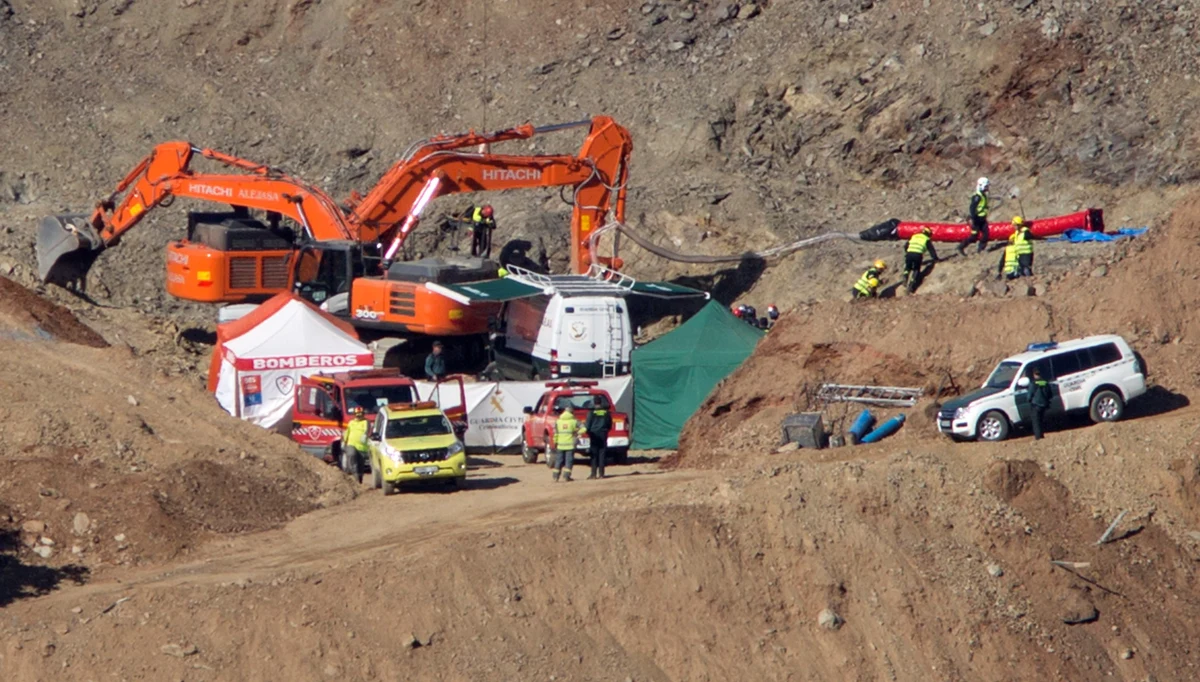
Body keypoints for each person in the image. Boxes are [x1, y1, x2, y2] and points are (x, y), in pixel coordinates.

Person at [958, 177, 991, 256]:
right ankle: (961, 247)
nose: (987, 188)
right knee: (974, 236)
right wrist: (974, 218)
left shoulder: (983, 195)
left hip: (982, 219)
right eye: (986, 186)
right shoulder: (977, 197)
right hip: (977, 220)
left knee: (986, 234)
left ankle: (981, 249)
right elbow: (972, 208)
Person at [552, 405, 584, 482]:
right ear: (572, 412)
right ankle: (566, 476)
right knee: (568, 461)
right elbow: (584, 428)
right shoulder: (575, 421)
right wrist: (577, 433)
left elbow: (555, 433)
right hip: (570, 445)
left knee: (558, 460)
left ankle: (555, 477)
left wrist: (555, 442)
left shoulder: (558, 421)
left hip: (560, 445)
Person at [584, 399, 612, 480]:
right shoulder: (606, 412)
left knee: (594, 454)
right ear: (601, 402)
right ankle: (601, 474)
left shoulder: (591, 412)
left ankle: (593, 474)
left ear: (594, 403)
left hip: (594, 434)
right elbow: (609, 423)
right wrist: (606, 430)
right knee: (602, 453)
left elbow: (588, 424)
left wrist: (588, 432)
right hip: (603, 433)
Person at [341, 406, 369, 483]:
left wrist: (365, 435)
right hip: (351, 444)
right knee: (352, 455)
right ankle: (355, 476)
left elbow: (367, 430)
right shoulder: (351, 423)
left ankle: (359, 480)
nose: (359, 416)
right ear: (354, 414)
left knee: (360, 465)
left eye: (360, 414)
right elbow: (347, 432)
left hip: (362, 447)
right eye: (357, 414)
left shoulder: (366, 422)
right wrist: (344, 441)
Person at [1029, 367, 1053, 440]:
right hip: (1044, 404)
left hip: (1036, 405)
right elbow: (1050, 394)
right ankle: (1042, 435)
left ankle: (1038, 437)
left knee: (1036, 422)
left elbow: (1029, 394)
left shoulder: (1033, 383)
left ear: (1034, 374)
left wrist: (1029, 400)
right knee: (1041, 420)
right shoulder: (1045, 382)